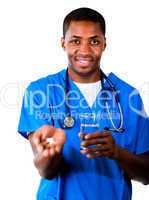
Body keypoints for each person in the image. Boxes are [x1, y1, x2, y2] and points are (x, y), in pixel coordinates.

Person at [18, 7, 149, 200]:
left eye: (94, 41)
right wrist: (49, 155)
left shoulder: (128, 96)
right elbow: (46, 171)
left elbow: (146, 175)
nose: (85, 51)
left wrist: (117, 153)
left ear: (105, 43)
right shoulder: (40, 92)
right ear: (63, 43)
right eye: (75, 41)